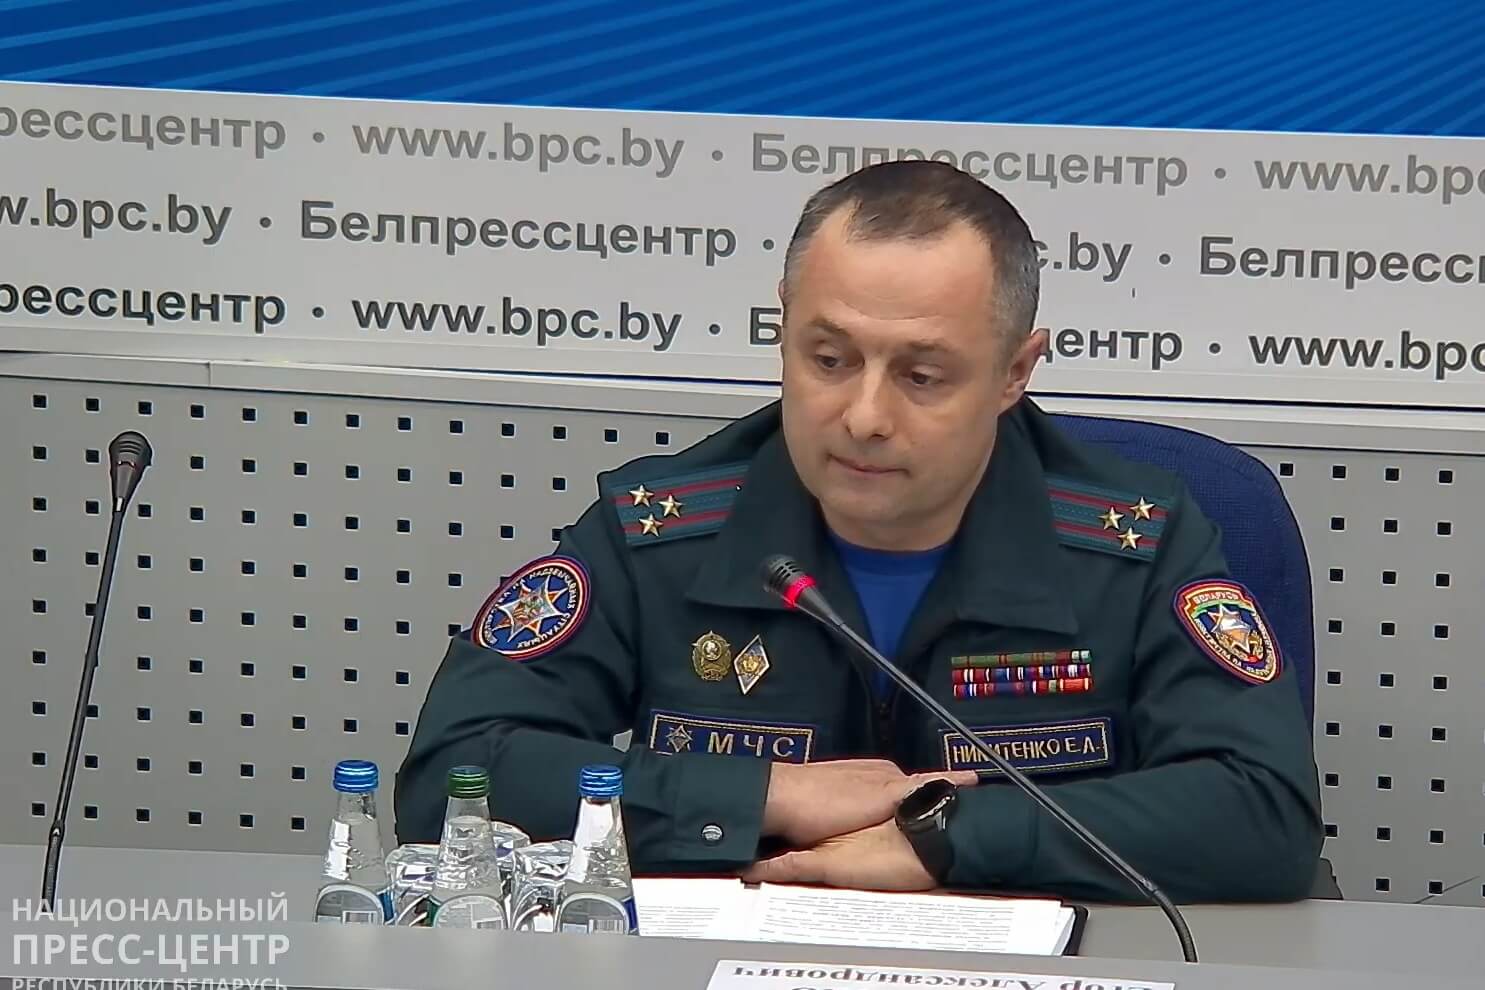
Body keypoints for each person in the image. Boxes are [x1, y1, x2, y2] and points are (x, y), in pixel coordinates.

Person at [394, 160, 1323, 902]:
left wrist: (947, 840)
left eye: (921, 376)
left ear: (1014, 371)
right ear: (782, 329)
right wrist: (767, 795)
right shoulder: (659, 532)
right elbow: (451, 777)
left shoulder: (1133, 543)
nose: (864, 417)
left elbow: (1264, 811)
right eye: (829, 358)